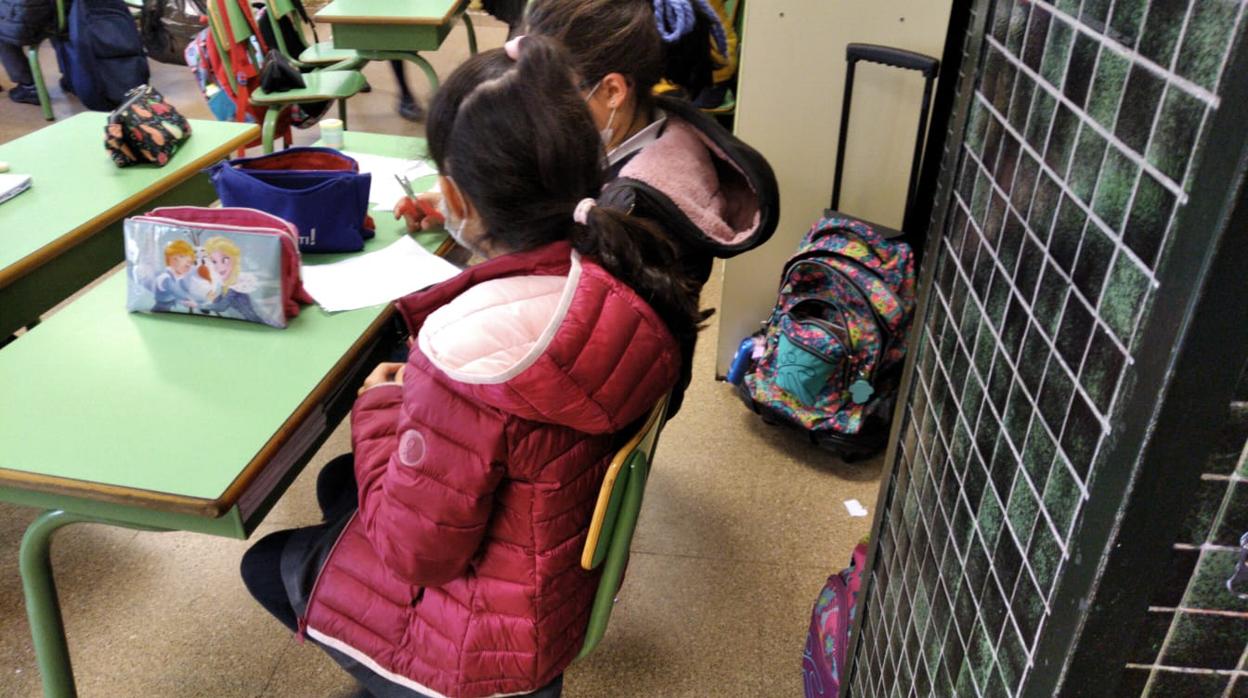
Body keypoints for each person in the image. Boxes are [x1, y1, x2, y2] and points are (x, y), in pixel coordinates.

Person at [240, 36, 704, 698]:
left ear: (456, 198)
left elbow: (416, 553)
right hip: (553, 584)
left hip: (484, 639)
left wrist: (379, 407)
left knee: (264, 562)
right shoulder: (621, 269)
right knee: (340, 482)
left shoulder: (465, 353)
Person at [0, 0, 57, 105]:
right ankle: (73, 79)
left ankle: (29, 88)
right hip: (62, 15)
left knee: (3, 38)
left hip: (30, 19)